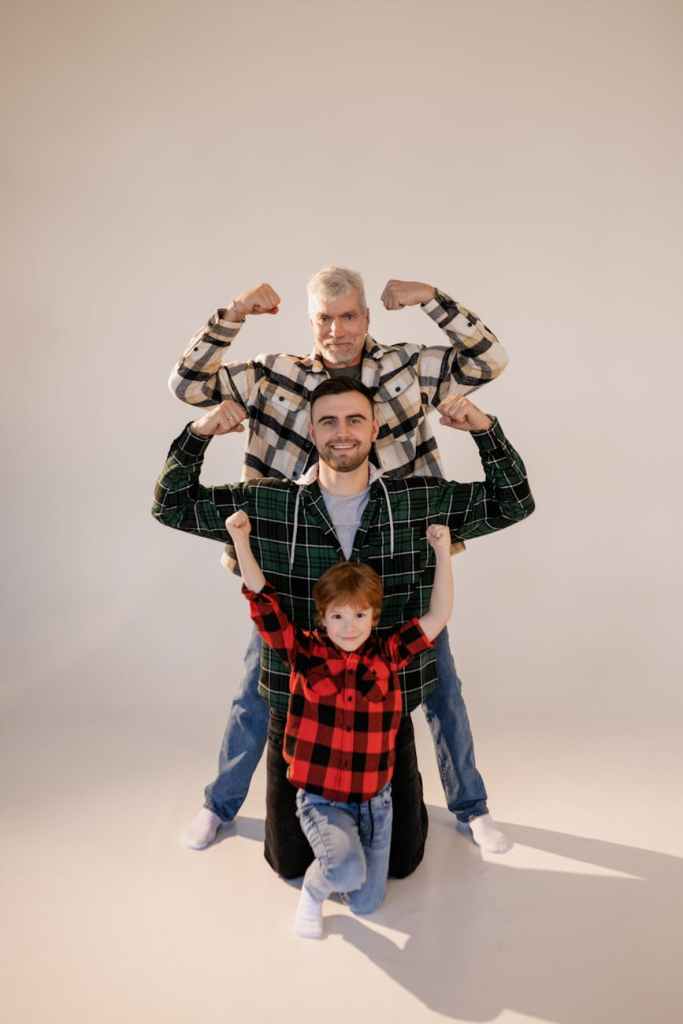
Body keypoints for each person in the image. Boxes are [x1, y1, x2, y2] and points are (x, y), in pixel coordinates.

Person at [168, 268, 515, 855]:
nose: (338, 330)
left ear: (367, 317)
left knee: (439, 686)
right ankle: (219, 805)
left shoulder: (406, 368)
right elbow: (188, 385)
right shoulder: (273, 375)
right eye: (325, 319)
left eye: (349, 316)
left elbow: (489, 361)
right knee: (260, 688)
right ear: (311, 322)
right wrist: (235, 313)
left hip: (400, 562)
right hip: (294, 561)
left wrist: (432, 299)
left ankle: (472, 808)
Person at [225, 510, 454, 938]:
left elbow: (438, 616)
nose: (349, 628)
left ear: (374, 617)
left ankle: (342, 861)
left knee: (367, 902)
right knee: (346, 872)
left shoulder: (387, 654)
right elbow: (262, 598)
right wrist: (240, 541)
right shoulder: (305, 653)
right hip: (322, 799)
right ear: (322, 617)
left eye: (360, 616)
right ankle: (314, 891)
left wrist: (443, 553)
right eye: (338, 617)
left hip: (376, 803)